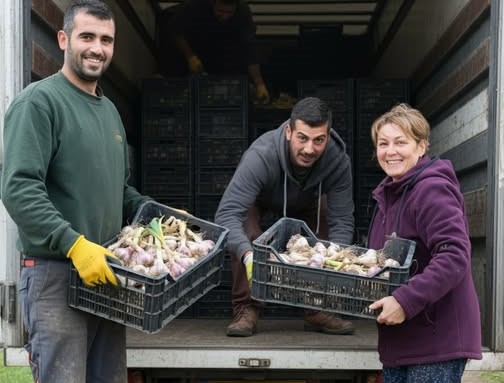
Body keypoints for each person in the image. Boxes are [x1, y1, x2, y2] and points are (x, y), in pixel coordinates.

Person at [0, 1, 151, 382]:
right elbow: (18, 188)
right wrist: (73, 244)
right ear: (64, 39)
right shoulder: (40, 103)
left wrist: (152, 213)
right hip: (55, 276)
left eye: (106, 40)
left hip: (105, 276)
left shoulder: (110, 112)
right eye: (87, 37)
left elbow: (119, 191)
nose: (97, 48)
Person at [215, 97, 355, 337]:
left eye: (319, 140)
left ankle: (316, 308)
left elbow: (342, 219)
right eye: (303, 138)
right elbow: (227, 214)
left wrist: (335, 259)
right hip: (261, 197)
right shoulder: (261, 155)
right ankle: (246, 307)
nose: (309, 149)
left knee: (327, 224)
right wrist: (248, 254)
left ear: (328, 136)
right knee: (244, 229)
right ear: (289, 131)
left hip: (308, 200)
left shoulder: (338, 160)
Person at [367, 104, 482, 382]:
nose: (390, 151)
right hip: (402, 342)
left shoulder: (431, 189)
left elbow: (454, 255)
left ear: (421, 146)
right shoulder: (388, 195)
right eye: (383, 143)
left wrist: (404, 301)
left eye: (400, 142)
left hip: (435, 342)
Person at [162, 0, 270, 103]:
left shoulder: (243, 12)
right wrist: (190, 56)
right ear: (212, 2)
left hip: (222, 52)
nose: (225, 16)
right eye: (220, 11)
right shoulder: (195, 6)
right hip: (192, 47)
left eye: (229, 12)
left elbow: (249, 48)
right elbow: (175, 31)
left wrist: (259, 84)